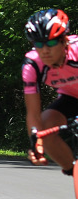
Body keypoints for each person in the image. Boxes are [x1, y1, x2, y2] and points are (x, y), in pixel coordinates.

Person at [22, 9, 78, 173]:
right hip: (70, 97)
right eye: (38, 44)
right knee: (45, 128)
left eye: (51, 43)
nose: (44, 50)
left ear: (64, 40)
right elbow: (33, 113)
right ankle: (73, 171)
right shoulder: (32, 64)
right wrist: (36, 144)